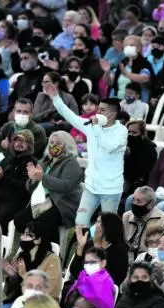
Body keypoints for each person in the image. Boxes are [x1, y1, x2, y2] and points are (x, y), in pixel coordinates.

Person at [44, 80, 127, 228]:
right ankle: (86, 248)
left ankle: (107, 249)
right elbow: (70, 116)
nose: (97, 112)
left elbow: (109, 146)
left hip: (111, 188)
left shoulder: (121, 131)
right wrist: (55, 98)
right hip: (91, 186)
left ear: (112, 115)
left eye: (102, 110)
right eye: (98, 109)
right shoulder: (92, 126)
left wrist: (96, 128)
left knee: (108, 227)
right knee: (80, 223)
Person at [14, 130, 82, 243]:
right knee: (19, 219)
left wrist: (42, 177)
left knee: (44, 220)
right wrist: (32, 178)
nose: (53, 145)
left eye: (58, 143)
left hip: (63, 204)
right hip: (44, 202)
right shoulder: (45, 162)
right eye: (51, 142)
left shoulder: (71, 163)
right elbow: (28, 188)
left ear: (67, 145)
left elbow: (66, 186)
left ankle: (52, 251)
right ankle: (34, 243)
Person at [122, 186, 164, 263]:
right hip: (125, 260)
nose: (134, 204)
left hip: (149, 261)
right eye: (134, 200)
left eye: (139, 201)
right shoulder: (126, 216)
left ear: (150, 204)